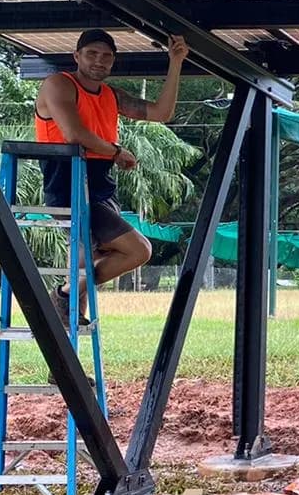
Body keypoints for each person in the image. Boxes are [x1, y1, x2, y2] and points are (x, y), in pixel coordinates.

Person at [33, 27, 187, 325]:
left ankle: (66, 329)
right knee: (138, 250)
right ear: (76, 56)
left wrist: (176, 62)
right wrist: (117, 152)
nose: (99, 61)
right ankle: (64, 295)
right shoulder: (59, 84)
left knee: (86, 263)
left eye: (106, 56)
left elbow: (161, 112)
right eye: (92, 54)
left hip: (101, 184)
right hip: (68, 181)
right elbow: (73, 133)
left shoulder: (110, 95)